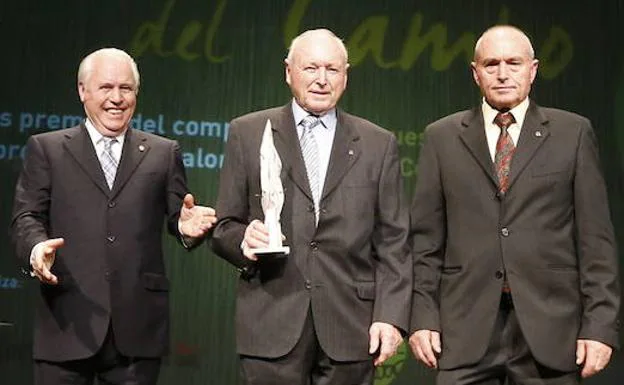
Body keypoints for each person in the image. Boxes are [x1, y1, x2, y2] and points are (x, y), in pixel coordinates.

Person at [408, 25, 620, 384]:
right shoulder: (441, 137)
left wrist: (600, 325)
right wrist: (423, 317)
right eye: (491, 64)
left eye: (514, 63)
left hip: (551, 329)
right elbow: (425, 243)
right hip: (465, 330)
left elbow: (595, 241)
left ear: (533, 69)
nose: (503, 73)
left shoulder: (573, 133)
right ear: (475, 73)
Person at [211, 29, 412, 385]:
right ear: (289, 72)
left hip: (351, 326)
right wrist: (244, 240)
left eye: (332, 70)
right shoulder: (248, 132)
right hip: (272, 320)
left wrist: (391, 316)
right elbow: (224, 226)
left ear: (346, 76)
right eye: (311, 68)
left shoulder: (378, 144)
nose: (321, 79)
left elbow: (394, 241)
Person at [10, 48, 217, 385]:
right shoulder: (47, 149)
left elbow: (178, 216)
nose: (117, 98)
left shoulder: (163, 153)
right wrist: (36, 250)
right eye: (106, 88)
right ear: (82, 91)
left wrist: (185, 227)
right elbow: (26, 216)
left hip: (137, 331)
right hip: (67, 322)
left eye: (126, 89)